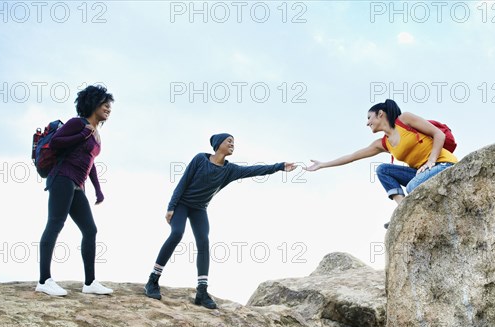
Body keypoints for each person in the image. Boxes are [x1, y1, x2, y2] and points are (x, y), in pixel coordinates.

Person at [145, 133, 297, 308]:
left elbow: (254, 170)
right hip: (182, 204)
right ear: (218, 145)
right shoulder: (200, 159)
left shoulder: (230, 170)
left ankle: (202, 291)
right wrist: (171, 207)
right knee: (177, 233)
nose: (233, 144)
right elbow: (183, 182)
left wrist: (279, 167)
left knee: (203, 241)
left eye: (234, 142)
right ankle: (153, 280)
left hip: (199, 209)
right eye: (229, 141)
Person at [305, 99, 457, 228]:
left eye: (369, 117)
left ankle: (407, 210)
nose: (367, 123)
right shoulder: (383, 143)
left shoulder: (404, 120)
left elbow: (439, 134)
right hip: (422, 173)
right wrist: (323, 164)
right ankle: (403, 209)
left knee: (412, 186)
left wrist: (431, 160)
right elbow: (352, 156)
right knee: (383, 169)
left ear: (380, 114)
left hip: (442, 164)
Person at [36, 85, 114, 296]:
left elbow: (91, 162)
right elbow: (56, 142)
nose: (108, 107)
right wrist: (82, 134)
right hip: (61, 178)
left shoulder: (95, 133)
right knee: (55, 224)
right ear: (92, 103)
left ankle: (90, 283)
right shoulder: (77, 123)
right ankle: (44, 280)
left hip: (78, 185)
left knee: (90, 229)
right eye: (104, 102)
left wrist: (98, 189)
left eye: (110, 104)